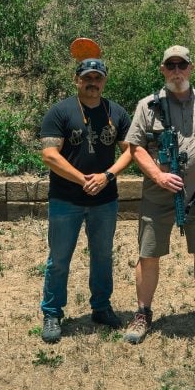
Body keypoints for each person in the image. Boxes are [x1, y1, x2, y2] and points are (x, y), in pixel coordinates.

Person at [122, 46, 195, 344]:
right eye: (170, 65)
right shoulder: (148, 106)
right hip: (158, 194)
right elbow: (135, 147)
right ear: (162, 70)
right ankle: (143, 313)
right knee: (148, 254)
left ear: (190, 68)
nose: (176, 71)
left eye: (181, 65)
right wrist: (158, 175)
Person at [39, 57, 133, 344]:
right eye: (87, 77)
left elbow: (130, 150)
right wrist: (83, 179)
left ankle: (101, 308)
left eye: (98, 78)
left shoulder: (115, 112)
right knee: (59, 259)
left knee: (103, 256)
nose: (93, 82)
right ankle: (53, 312)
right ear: (77, 80)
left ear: (104, 81)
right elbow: (50, 155)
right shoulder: (60, 112)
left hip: (104, 200)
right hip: (65, 200)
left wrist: (107, 175)